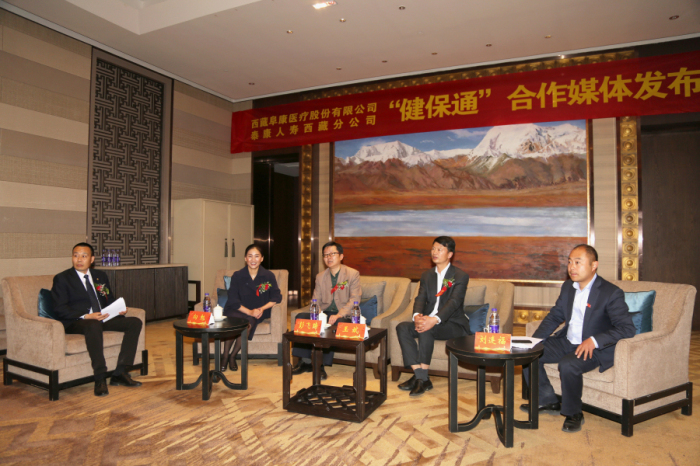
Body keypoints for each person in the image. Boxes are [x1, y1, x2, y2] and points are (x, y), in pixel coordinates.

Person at [521, 244, 636, 433]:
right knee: (528, 354)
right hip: (567, 341)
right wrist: (534, 341)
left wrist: (595, 340)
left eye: (577, 262)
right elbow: (555, 316)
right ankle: (548, 400)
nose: (571, 267)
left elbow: (627, 328)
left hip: (594, 348)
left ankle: (574, 414)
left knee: (568, 365)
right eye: (569, 262)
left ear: (593, 265)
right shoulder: (568, 287)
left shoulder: (610, 293)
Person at [51, 243, 143, 397]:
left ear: (92, 259)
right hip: (76, 321)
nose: (79, 259)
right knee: (93, 325)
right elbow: (59, 308)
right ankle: (100, 377)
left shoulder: (100, 276)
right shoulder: (62, 278)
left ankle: (120, 373)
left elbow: (108, 299)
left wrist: (118, 309)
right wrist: (86, 315)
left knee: (134, 322)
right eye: (76, 255)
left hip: (101, 317)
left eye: (84, 256)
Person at [396, 236, 470, 397]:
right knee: (402, 327)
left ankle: (420, 379)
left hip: (454, 324)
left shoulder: (460, 276)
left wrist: (433, 320)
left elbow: (453, 303)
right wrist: (417, 316)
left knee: (427, 328)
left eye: (440, 249)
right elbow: (420, 298)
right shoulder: (427, 275)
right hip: (429, 320)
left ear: (450, 254)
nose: (435, 252)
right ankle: (421, 377)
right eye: (433, 249)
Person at [291, 241, 361, 380]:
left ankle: (320, 365)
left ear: (341, 256)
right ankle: (305, 362)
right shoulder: (320, 276)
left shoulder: (352, 274)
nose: (328, 257)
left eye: (332, 254)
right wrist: (316, 312)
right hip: (324, 312)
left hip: (343, 314)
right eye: (325, 255)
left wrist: (339, 314)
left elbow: (355, 299)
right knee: (301, 317)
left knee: (335, 324)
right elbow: (315, 299)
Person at [221, 244, 282, 371]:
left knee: (248, 322)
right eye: (250, 256)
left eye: (256, 256)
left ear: (262, 258)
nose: (253, 260)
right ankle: (225, 356)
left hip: (257, 312)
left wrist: (262, 309)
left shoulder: (268, 276)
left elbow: (276, 297)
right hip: (237, 310)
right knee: (237, 322)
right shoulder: (237, 275)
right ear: (245, 258)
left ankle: (232, 356)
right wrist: (249, 312)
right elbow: (233, 299)